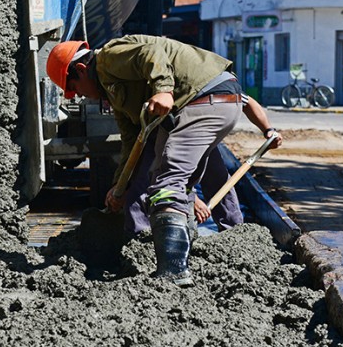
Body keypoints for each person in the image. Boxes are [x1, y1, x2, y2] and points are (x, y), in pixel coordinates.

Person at [48, 35, 254, 286]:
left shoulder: (107, 60)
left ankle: (174, 270)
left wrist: (163, 90)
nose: (80, 96)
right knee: (181, 179)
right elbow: (132, 140)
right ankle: (200, 242)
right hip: (205, 100)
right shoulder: (112, 91)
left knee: (167, 185)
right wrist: (119, 187)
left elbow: (152, 52)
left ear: (81, 70)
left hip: (200, 97)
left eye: (75, 89)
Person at [124, 95, 282, 238]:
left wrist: (268, 130)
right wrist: (193, 198)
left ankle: (234, 236)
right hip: (168, 127)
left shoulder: (218, 84)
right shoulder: (182, 87)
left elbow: (248, 102)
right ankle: (143, 240)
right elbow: (177, 169)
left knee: (217, 177)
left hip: (197, 124)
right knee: (147, 183)